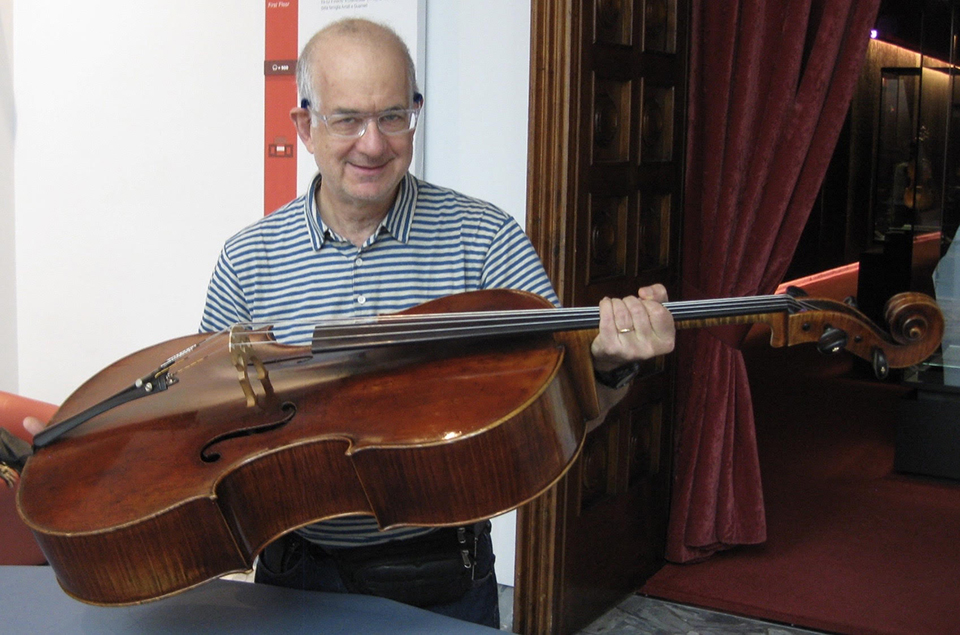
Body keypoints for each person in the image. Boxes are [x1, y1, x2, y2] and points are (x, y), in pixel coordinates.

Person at [27, 18, 674, 629]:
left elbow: (560, 409)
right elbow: (205, 417)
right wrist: (92, 449)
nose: (375, 142)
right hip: (291, 576)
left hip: (440, 580)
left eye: (394, 116)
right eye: (348, 119)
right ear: (305, 125)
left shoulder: (486, 240)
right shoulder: (248, 256)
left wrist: (611, 365)